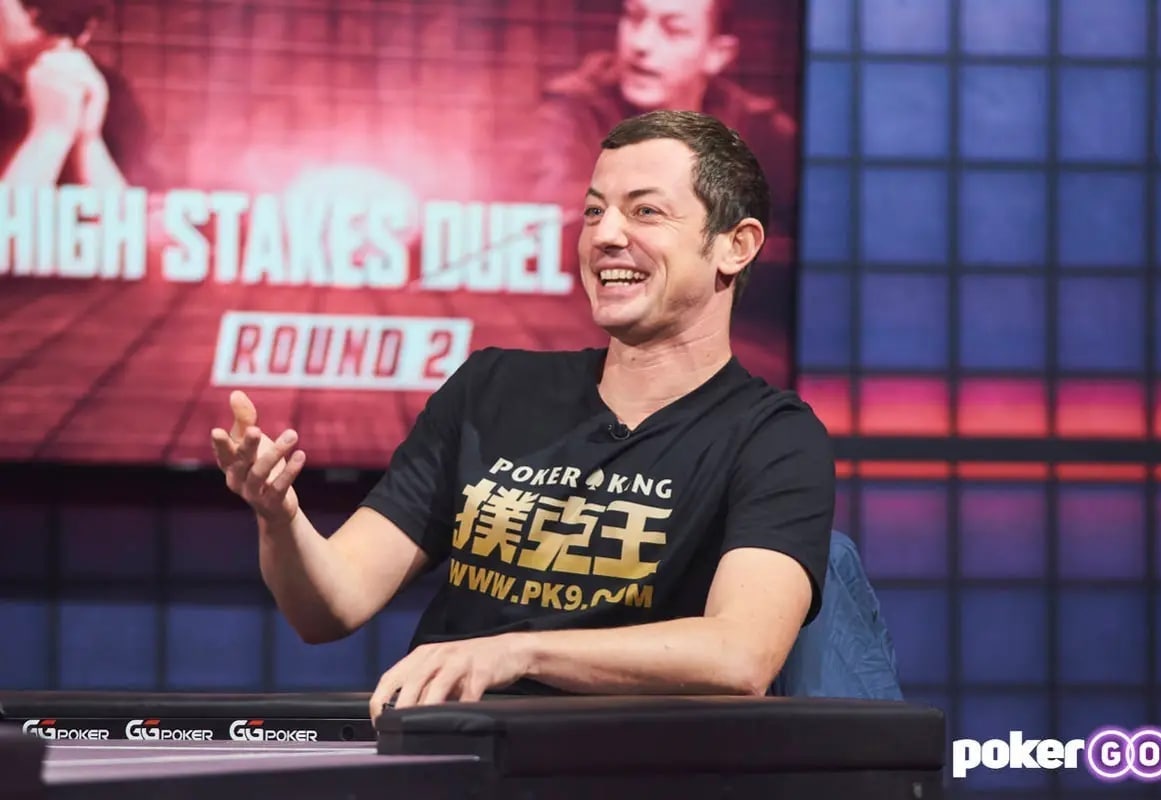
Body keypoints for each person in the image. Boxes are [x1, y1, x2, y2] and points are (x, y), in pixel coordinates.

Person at [211, 110, 834, 723]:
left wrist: (515, 653)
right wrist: (280, 519)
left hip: (631, 764)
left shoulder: (775, 438)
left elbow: (740, 654)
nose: (605, 235)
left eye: (645, 211)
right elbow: (330, 608)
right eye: (594, 211)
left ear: (735, 245)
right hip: (449, 754)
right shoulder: (492, 388)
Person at [527, 0, 797, 239]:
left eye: (673, 30)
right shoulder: (571, 110)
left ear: (718, 54)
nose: (641, 43)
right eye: (635, 17)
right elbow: (558, 224)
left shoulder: (760, 132)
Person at [0, 0, 157, 188]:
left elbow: (130, 205)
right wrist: (49, 135)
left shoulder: (105, 91)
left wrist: (88, 143)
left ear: (33, 14)